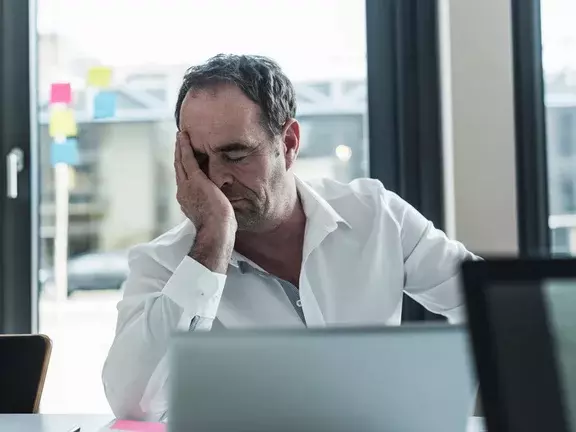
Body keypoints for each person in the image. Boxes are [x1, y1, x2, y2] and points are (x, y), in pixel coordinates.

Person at [102, 54, 477, 420]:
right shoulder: (163, 263)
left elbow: (493, 308)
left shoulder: (375, 215)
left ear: (289, 143)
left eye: (236, 155)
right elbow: (134, 404)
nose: (217, 179)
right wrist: (213, 242)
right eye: (198, 160)